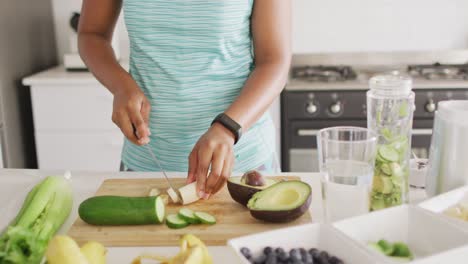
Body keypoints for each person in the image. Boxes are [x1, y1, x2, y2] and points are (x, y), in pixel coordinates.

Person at [78, 0, 291, 200]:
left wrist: (228, 127)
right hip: (146, 163)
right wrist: (121, 87)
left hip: (244, 163)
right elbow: (91, 35)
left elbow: (274, 61)